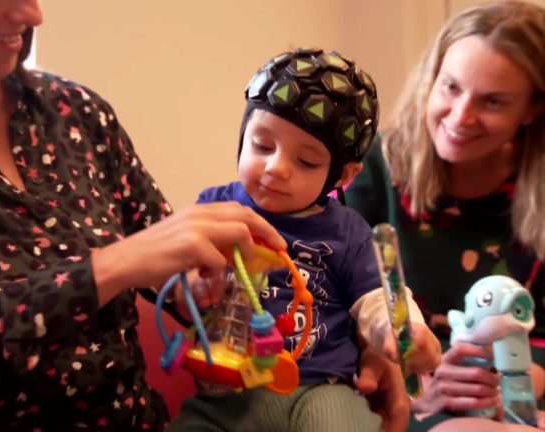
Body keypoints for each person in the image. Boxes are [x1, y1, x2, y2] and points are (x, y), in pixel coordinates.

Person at [0, 1, 411, 431]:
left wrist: (357, 344)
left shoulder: (76, 114)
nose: (32, 14)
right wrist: (109, 267)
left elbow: (181, 274)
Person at [167, 48, 442, 432]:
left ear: (343, 175)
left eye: (306, 162)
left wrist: (401, 331)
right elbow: (173, 276)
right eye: (262, 146)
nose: (276, 168)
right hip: (224, 396)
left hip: (318, 390)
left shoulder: (348, 232)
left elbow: (377, 299)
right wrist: (190, 287)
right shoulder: (214, 208)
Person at [345, 1, 545, 431]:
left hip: (517, 395)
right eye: (451, 87)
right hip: (395, 393)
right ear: (431, 79)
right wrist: (418, 386)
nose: (460, 116)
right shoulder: (372, 168)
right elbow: (333, 300)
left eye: (492, 101)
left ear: (531, 109)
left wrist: (517, 381)